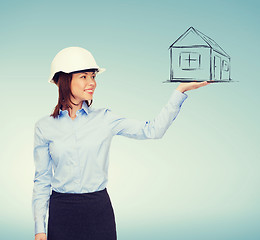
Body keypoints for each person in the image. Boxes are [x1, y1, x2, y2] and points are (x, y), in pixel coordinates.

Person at [32, 46, 211, 240]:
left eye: (93, 77)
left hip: (98, 210)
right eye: (84, 77)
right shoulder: (44, 127)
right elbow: (42, 180)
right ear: (64, 80)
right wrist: (39, 228)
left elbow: (152, 130)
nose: (92, 82)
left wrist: (180, 91)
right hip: (62, 212)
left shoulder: (105, 119)